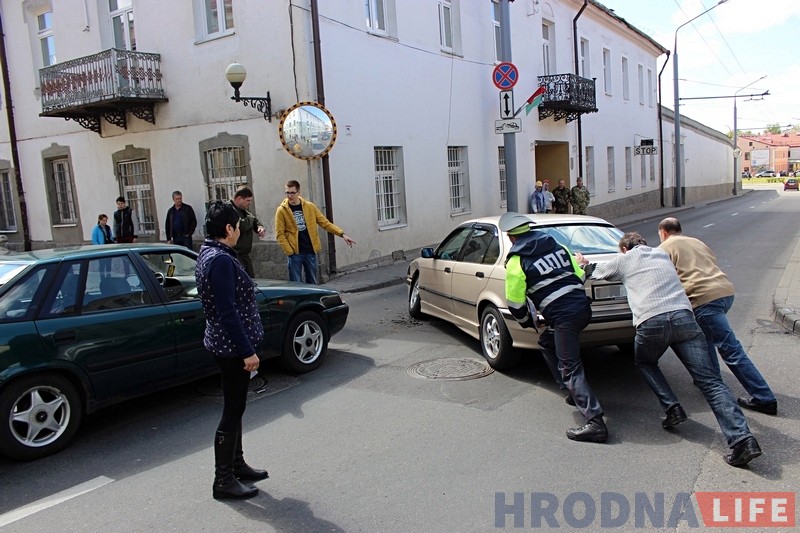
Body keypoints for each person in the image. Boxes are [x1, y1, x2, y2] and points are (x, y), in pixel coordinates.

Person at [578, 232, 762, 467]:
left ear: (624, 249)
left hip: (651, 321)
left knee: (645, 362)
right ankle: (743, 440)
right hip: (684, 318)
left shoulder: (624, 259)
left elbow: (595, 271)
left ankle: (672, 407)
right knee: (712, 383)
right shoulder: (662, 255)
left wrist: (583, 262)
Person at [500, 212, 607, 443]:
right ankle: (572, 392)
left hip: (564, 317)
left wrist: (528, 321)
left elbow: (515, 303)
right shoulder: (558, 247)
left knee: (570, 367)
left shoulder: (517, 261)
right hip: (581, 309)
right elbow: (579, 276)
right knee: (547, 342)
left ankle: (595, 423)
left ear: (511, 237)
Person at [657, 217, 777, 415]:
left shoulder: (665, 248)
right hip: (724, 292)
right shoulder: (697, 242)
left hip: (703, 299)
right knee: (707, 338)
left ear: (663, 232)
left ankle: (764, 397)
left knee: (730, 349)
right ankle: (711, 379)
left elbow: (663, 277)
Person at [195, 200, 268, 500]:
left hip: (223, 342)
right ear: (228, 229)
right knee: (233, 409)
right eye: (237, 226)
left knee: (236, 406)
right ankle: (223, 479)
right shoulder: (221, 260)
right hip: (231, 347)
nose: (239, 230)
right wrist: (247, 351)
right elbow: (227, 311)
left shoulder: (210, 252)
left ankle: (237, 465)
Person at [275, 180, 356, 284]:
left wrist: (342, 234)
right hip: (295, 253)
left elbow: (325, 223)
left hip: (310, 251)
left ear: (299, 192)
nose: (289, 196)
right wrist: (289, 251)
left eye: (292, 193)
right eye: (287, 192)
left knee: (312, 283)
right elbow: (279, 234)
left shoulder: (310, 207)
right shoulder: (282, 210)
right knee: (296, 284)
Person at [230, 186, 266, 277]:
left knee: (251, 279)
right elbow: (242, 225)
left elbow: (254, 220)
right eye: (248, 200)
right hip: (234, 253)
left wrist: (259, 227)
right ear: (239, 199)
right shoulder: (229, 209)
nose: (249, 203)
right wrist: (251, 219)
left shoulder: (244, 209)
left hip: (245, 254)